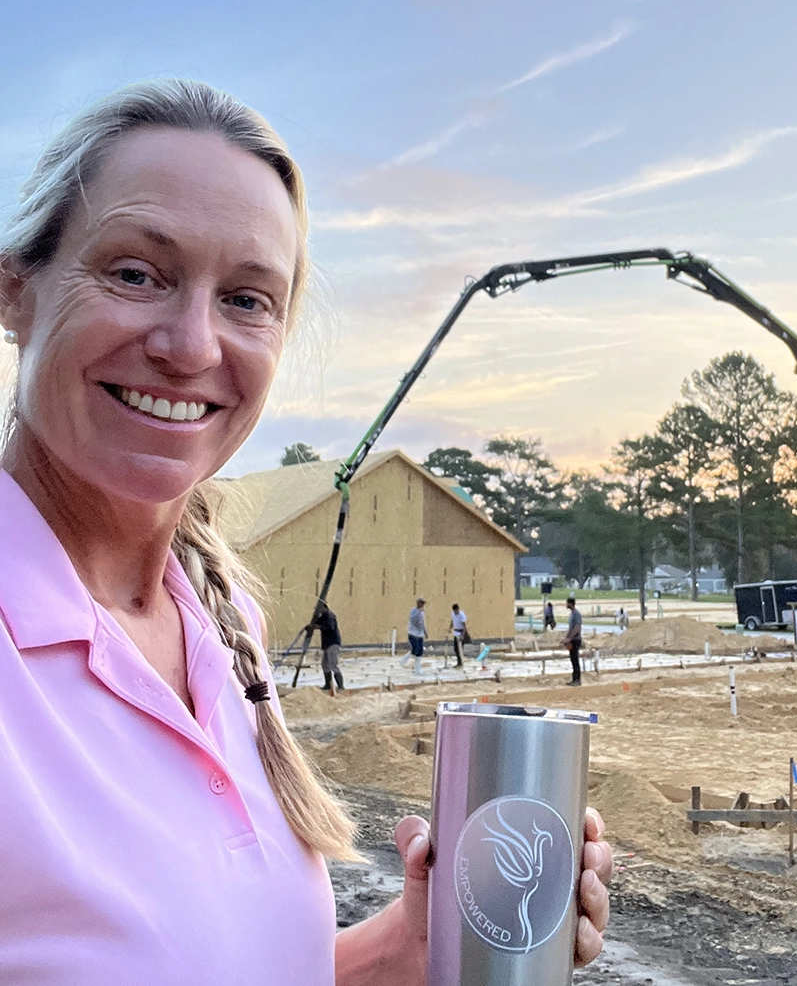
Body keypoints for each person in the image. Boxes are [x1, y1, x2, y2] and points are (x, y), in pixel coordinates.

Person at [0, 80, 614, 984]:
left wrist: (409, 944)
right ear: (16, 291)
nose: (192, 346)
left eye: (247, 299)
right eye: (135, 274)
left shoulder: (221, 624)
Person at [313, 600, 344, 693]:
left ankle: (341, 686)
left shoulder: (330, 616)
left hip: (333, 643)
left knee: (333, 665)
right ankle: (328, 685)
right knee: (325, 665)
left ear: (324, 607)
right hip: (327, 644)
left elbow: (330, 627)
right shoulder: (322, 617)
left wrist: (318, 627)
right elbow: (317, 623)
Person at [400, 596, 427, 675]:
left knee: (420, 652)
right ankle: (404, 660)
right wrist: (419, 612)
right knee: (415, 650)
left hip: (420, 634)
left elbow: (423, 623)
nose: (423, 605)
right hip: (413, 633)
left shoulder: (422, 613)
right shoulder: (413, 610)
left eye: (423, 603)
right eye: (421, 603)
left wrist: (425, 632)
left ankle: (417, 669)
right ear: (418, 603)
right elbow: (413, 620)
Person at [564, 595, 583, 686]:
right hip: (572, 640)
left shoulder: (577, 615)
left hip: (576, 640)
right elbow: (570, 628)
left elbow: (576, 628)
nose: (566, 604)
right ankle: (574, 679)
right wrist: (566, 638)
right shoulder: (572, 615)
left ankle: (577, 680)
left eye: (567, 603)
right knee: (573, 660)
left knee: (575, 660)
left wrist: (570, 638)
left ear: (571, 604)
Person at [448, 602, 467, 668]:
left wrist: (462, 636)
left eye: (457, 610)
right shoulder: (453, 613)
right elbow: (452, 621)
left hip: (461, 632)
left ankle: (461, 663)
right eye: (455, 611)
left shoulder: (462, 615)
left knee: (460, 649)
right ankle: (458, 662)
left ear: (458, 609)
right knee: (456, 649)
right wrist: (450, 628)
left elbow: (464, 627)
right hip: (456, 632)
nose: (456, 612)